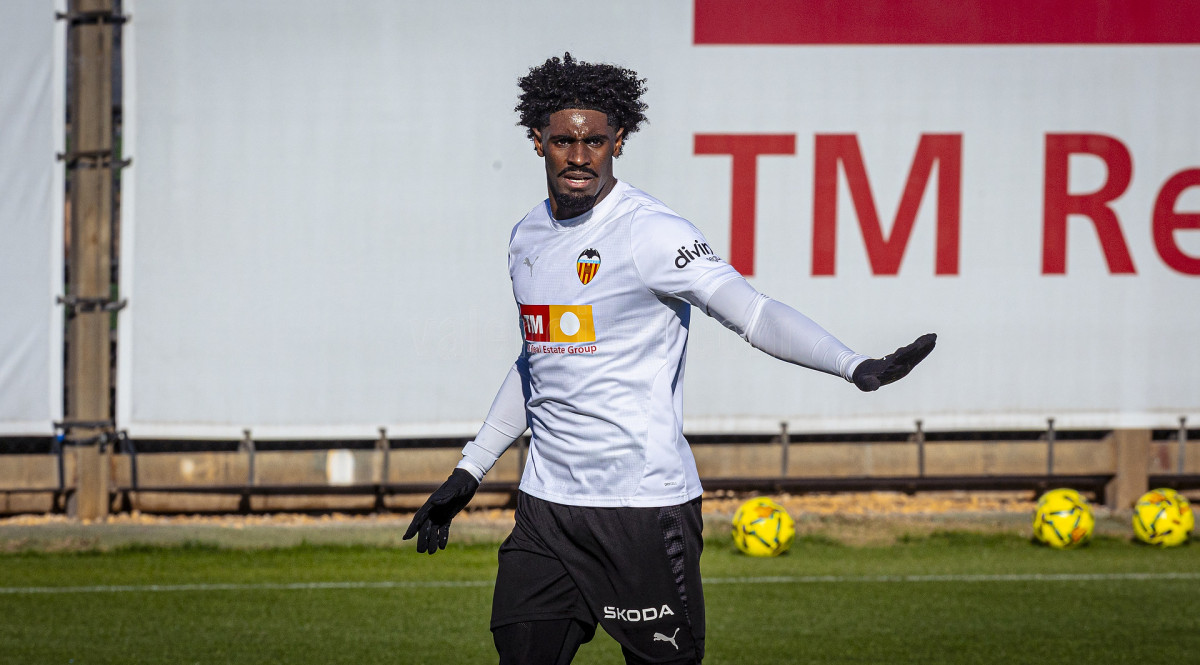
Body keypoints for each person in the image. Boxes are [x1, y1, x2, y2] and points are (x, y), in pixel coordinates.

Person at [404, 53, 936, 665]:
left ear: (618, 142)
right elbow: (538, 361)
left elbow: (753, 312)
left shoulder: (652, 232)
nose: (579, 156)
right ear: (537, 140)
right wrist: (470, 470)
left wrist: (852, 365)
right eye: (564, 141)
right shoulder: (527, 236)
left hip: (642, 511)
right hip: (547, 510)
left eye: (595, 141)